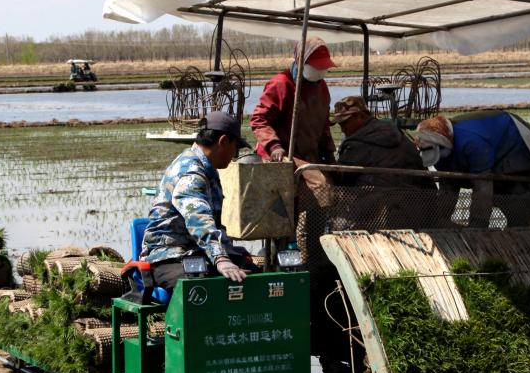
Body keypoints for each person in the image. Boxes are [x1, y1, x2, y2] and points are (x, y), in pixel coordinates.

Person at [138, 111, 257, 292]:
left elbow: (214, 224)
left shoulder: (208, 170)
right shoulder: (191, 172)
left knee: (257, 278)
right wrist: (221, 258)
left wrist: (227, 252)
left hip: (199, 253)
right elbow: (198, 218)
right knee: (204, 288)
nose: (234, 155)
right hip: (169, 256)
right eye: (235, 148)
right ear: (223, 141)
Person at [414, 111, 530, 226]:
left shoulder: (472, 143)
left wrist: (477, 225)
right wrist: (440, 219)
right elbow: (448, 185)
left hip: (514, 138)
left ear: (444, 145)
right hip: (485, 141)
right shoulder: (439, 153)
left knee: (513, 195)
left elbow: (482, 186)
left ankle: (520, 230)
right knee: (453, 182)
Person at [250, 36, 336, 171]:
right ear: (301, 63)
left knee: (337, 182)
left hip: (307, 154)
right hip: (283, 154)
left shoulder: (322, 88)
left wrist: (329, 153)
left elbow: (324, 124)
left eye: (323, 67)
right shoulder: (281, 84)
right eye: (315, 67)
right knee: (320, 186)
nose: (319, 71)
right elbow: (259, 119)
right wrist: (274, 146)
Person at [331, 96, 432, 189]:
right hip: (417, 199)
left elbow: (340, 178)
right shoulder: (395, 131)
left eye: (345, 123)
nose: (343, 130)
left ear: (360, 116)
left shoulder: (357, 144)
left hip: (378, 204)